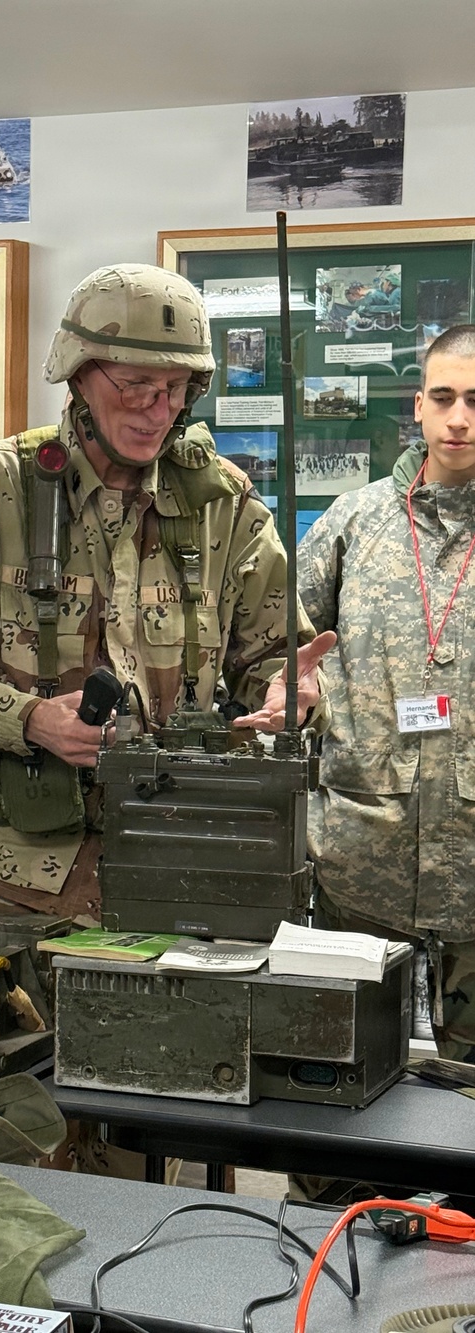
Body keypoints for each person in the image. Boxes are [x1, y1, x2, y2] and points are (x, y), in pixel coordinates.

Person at [0, 264, 332, 919]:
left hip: (187, 864)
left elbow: (281, 660)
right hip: (16, 876)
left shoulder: (227, 506)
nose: (160, 409)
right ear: (79, 373)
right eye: (138, 385)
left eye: (178, 388)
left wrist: (290, 696)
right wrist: (30, 719)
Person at [299, 323, 475, 1061]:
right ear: (418, 406)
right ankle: (338, 1185)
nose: (460, 417)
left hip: (471, 867)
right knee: (342, 1087)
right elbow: (280, 646)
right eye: (444, 397)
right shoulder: (355, 522)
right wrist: (294, 690)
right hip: (356, 861)